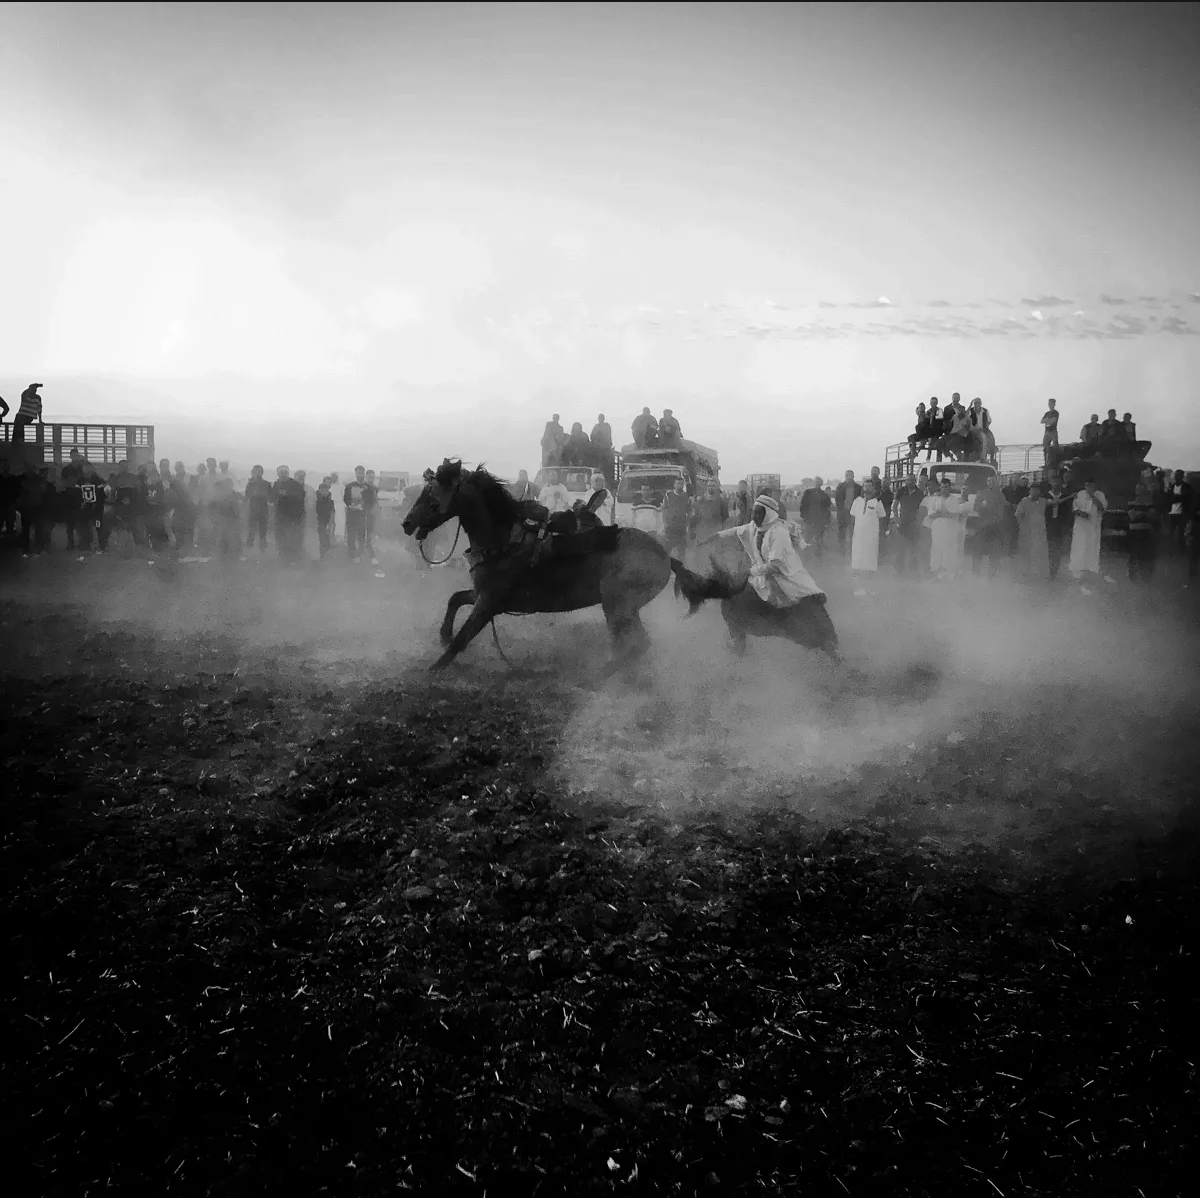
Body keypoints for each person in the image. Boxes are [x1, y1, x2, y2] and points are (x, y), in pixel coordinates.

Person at [921, 477, 966, 579]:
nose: (944, 489)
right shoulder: (935, 499)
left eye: (946, 487)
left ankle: (949, 574)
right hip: (937, 529)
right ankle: (937, 573)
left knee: (949, 550)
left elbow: (955, 515)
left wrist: (941, 513)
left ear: (949, 487)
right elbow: (931, 515)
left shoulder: (954, 499)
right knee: (937, 549)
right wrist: (944, 513)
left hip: (950, 529)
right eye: (942, 487)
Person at [849, 479, 887, 588]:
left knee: (870, 555)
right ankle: (857, 580)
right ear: (863, 488)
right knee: (858, 554)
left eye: (869, 486)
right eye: (865, 486)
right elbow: (852, 517)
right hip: (858, 534)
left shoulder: (877, 502)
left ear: (873, 488)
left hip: (871, 534)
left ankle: (870, 580)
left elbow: (882, 517)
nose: (867, 488)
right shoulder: (857, 501)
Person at [968, 474, 1008, 576]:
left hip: (995, 526)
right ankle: (975, 574)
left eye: (992, 481)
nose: (990, 483)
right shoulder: (981, 493)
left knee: (994, 552)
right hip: (981, 526)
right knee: (977, 550)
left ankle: (991, 575)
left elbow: (1000, 511)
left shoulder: (1000, 495)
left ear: (996, 482)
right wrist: (982, 506)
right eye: (989, 481)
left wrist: (987, 505)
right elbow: (976, 508)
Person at [1068, 479, 1107, 582]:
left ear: (1095, 486)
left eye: (1091, 486)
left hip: (1093, 527)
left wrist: (1092, 496)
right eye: (1087, 485)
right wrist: (1081, 513)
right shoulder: (1080, 494)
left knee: (1092, 547)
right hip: (1080, 527)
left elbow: (1102, 508)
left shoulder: (1100, 495)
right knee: (1079, 547)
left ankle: (1092, 571)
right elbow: (1074, 508)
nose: (1089, 487)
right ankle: (1077, 572)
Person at [890, 474, 925, 575]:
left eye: (912, 480)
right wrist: (896, 518)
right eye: (908, 480)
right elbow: (894, 506)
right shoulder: (901, 491)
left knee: (913, 549)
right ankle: (899, 571)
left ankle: (912, 572)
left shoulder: (919, 493)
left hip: (914, 524)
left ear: (915, 480)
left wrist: (919, 521)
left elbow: (922, 509)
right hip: (903, 523)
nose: (910, 482)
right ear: (906, 481)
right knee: (901, 548)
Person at [1125, 481, 1159, 583]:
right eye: (1138, 489)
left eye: (1141, 489)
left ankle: (1145, 577)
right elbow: (1132, 516)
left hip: (1146, 533)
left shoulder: (1150, 504)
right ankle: (1133, 576)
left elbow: (1152, 515)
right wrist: (1144, 513)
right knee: (1133, 554)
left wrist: (1139, 513)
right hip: (1134, 532)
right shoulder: (1131, 503)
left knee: (1144, 555)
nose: (1139, 491)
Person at [1015, 485, 1050, 581]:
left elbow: (1055, 502)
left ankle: (1039, 574)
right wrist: (1022, 527)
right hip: (1027, 532)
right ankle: (1025, 574)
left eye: (1037, 490)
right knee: (1026, 553)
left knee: (1040, 553)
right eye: (1033, 490)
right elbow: (1018, 515)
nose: (1035, 492)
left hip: (1040, 532)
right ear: (1030, 491)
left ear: (1039, 491)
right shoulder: (1024, 501)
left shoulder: (1043, 501)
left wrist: (1070, 496)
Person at [273, 466, 306, 564]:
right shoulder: (276, 484)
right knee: (280, 538)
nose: (283, 474)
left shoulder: (296, 485)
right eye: (281, 472)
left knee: (293, 538)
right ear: (278, 474)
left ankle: (294, 560)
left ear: (288, 473)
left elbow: (300, 499)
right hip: (280, 517)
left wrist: (286, 494)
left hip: (293, 517)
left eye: (285, 472)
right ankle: (283, 558)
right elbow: (272, 498)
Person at [798, 477, 832, 556]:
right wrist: (804, 517)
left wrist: (827, 520)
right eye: (816, 482)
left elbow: (827, 509)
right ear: (814, 483)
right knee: (806, 539)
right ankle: (805, 556)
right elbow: (803, 505)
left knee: (819, 540)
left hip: (820, 521)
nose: (817, 484)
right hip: (809, 520)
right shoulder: (808, 493)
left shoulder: (824, 495)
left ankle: (818, 557)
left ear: (821, 484)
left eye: (819, 482)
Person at [244, 465, 272, 555]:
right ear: (252, 472)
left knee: (263, 530)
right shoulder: (250, 484)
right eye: (255, 471)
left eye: (259, 472)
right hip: (253, 510)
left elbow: (271, 498)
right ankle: (249, 548)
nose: (257, 474)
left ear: (262, 473)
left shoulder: (266, 484)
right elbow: (247, 496)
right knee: (251, 530)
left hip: (263, 510)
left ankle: (262, 549)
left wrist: (263, 495)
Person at [690, 479, 728, 544]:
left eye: (713, 486)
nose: (710, 487)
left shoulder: (721, 502)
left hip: (715, 536)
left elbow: (725, 519)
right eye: (709, 485)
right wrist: (692, 531)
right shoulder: (700, 501)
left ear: (717, 488)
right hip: (702, 536)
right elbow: (695, 517)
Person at [660, 477, 692, 557]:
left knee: (681, 552)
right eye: (678, 483)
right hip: (670, 527)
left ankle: (680, 564)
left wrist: (688, 524)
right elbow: (664, 509)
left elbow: (689, 511)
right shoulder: (668, 495)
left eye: (682, 484)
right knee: (667, 550)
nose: (680, 485)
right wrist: (665, 522)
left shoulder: (686, 496)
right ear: (674, 485)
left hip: (681, 527)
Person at [344, 466, 369, 559]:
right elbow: (346, 499)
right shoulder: (349, 486)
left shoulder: (368, 487)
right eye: (358, 473)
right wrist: (350, 505)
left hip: (362, 514)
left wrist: (364, 507)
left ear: (364, 474)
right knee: (351, 535)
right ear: (355, 474)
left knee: (361, 535)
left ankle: (361, 553)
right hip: (351, 514)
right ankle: (352, 554)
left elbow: (371, 500)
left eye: (361, 473)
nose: (360, 475)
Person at [1167, 470, 1193, 553]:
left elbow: (1187, 499)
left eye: (1178, 475)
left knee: (1180, 533)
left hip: (1182, 514)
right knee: (1171, 532)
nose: (1176, 477)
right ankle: (1172, 550)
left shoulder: (1186, 486)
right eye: (1175, 475)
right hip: (1172, 513)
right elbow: (1169, 498)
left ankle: (1181, 550)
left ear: (1181, 477)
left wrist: (1176, 498)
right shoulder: (1172, 486)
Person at [315, 479, 337, 559]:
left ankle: (321, 556)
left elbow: (332, 514)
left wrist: (331, 525)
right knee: (321, 541)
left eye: (326, 490)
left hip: (325, 523)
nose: (324, 492)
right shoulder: (315, 500)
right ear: (319, 490)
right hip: (317, 523)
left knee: (326, 543)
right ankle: (319, 557)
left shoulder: (330, 501)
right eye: (322, 490)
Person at [363, 469, 380, 563]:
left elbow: (375, 499)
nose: (371, 479)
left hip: (371, 513)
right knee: (362, 533)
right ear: (366, 477)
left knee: (369, 533)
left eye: (373, 477)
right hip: (362, 513)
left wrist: (376, 509)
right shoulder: (362, 486)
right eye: (369, 477)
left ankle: (369, 552)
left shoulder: (375, 488)